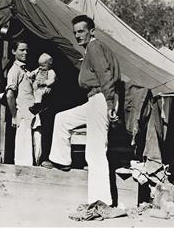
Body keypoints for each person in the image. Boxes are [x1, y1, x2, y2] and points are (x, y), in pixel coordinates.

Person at [43, 15, 121, 205]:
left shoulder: (94, 47)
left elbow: (105, 75)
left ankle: (100, 201)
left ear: (91, 31)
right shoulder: (90, 50)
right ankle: (61, 160)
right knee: (62, 119)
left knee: (95, 150)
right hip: (93, 99)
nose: (77, 35)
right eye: (75, 32)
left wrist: (110, 103)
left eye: (81, 31)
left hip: (101, 98)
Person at [6, 41, 42, 166]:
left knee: (36, 146)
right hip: (23, 115)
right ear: (13, 51)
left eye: (26, 50)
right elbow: (10, 95)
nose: (25, 52)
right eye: (21, 50)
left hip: (32, 114)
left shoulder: (25, 70)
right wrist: (15, 115)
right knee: (24, 152)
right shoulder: (14, 71)